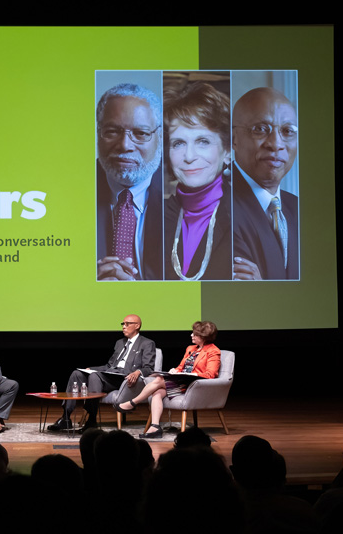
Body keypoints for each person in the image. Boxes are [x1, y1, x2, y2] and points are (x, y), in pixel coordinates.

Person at [163, 80, 232, 280]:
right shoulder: (154, 217)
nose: (189, 156)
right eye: (178, 143)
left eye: (203, 141)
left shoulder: (246, 217)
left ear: (227, 151)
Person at [96, 83, 164, 280]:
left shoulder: (183, 193)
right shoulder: (74, 190)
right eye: (112, 131)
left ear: (160, 137)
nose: (125, 145)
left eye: (141, 133)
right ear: (98, 134)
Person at [231, 87, 299, 280]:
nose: (276, 144)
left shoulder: (298, 209)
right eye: (260, 129)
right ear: (233, 139)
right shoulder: (214, 206)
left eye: (287, 131)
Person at [47, 315, 156, 432]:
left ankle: (91, 420)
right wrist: (91, 369)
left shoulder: (147, 343)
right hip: (109, 375)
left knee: (95, 376)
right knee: (77, 374)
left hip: (124, 379)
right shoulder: (120, 343)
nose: (124, 327)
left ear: (137, 326)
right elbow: (109, 366)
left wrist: (138, 372)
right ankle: (66, 418)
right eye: (123, 324)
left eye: (127, 324)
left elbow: (149, 368)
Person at [115, 320, 220, 439]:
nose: (191, 335)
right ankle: (155, 427)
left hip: (194, 385)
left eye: (195, 334)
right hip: (181, 381)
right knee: (157, 393)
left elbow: (211, 374)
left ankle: (132, 403)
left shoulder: (213, 351)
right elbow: (181, 367)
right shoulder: (191, 348)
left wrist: (189, 374)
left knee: (159, 380)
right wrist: (175, 370)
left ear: (203, 336)